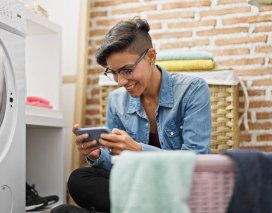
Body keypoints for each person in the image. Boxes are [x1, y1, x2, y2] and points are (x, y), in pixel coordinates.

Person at [64, 18, 211, 213]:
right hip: (139, 187)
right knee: (79, 179)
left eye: (127, 70)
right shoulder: (116, 101)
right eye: (114, 73)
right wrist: (98, 156)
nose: (120, 82)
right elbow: (119, 166)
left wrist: (139, 150)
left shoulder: (192, 90)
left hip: (180, 189)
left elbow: (196, 161)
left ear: (151, 57)